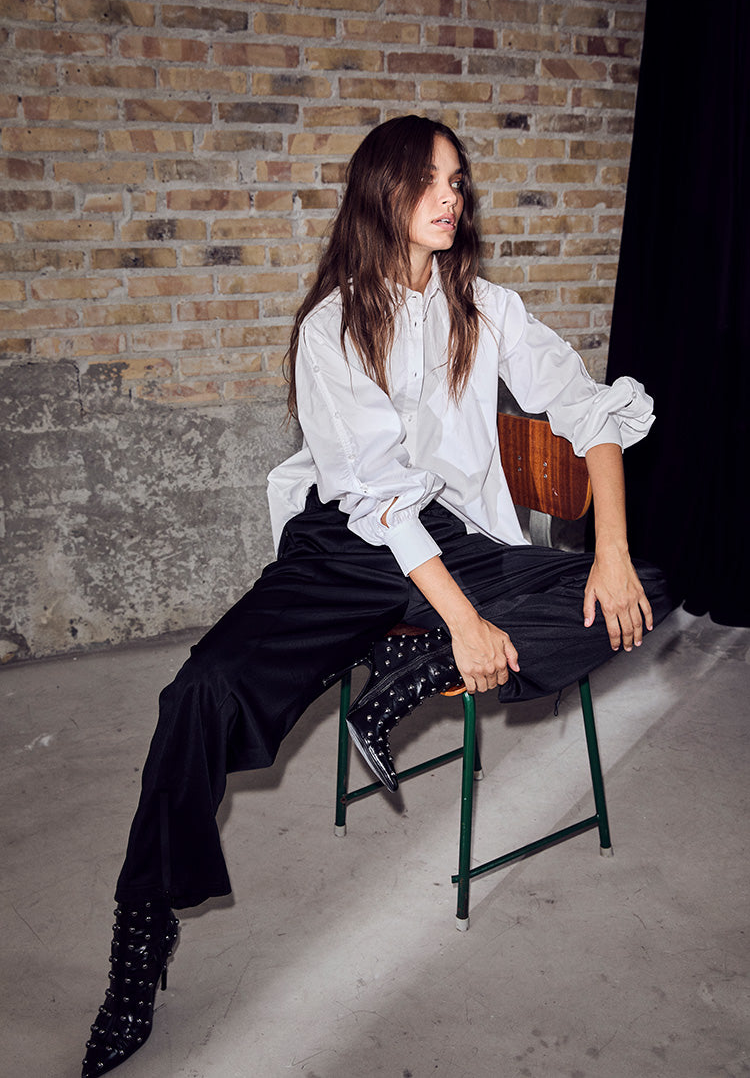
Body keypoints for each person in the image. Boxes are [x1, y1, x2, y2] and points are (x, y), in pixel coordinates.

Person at [81, 115, 673, 1076]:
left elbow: (590, 409)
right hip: (349, 544)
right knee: (199, 693)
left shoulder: (488, 309)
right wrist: (466, 619)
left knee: (646, 584)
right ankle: (141, 931)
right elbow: (379, 498)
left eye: (457, 180)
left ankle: (415, 666)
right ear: (380, 193)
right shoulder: (333, 326)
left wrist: (609, 550)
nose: (450, 196)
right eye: (428, 179)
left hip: (454, 539)